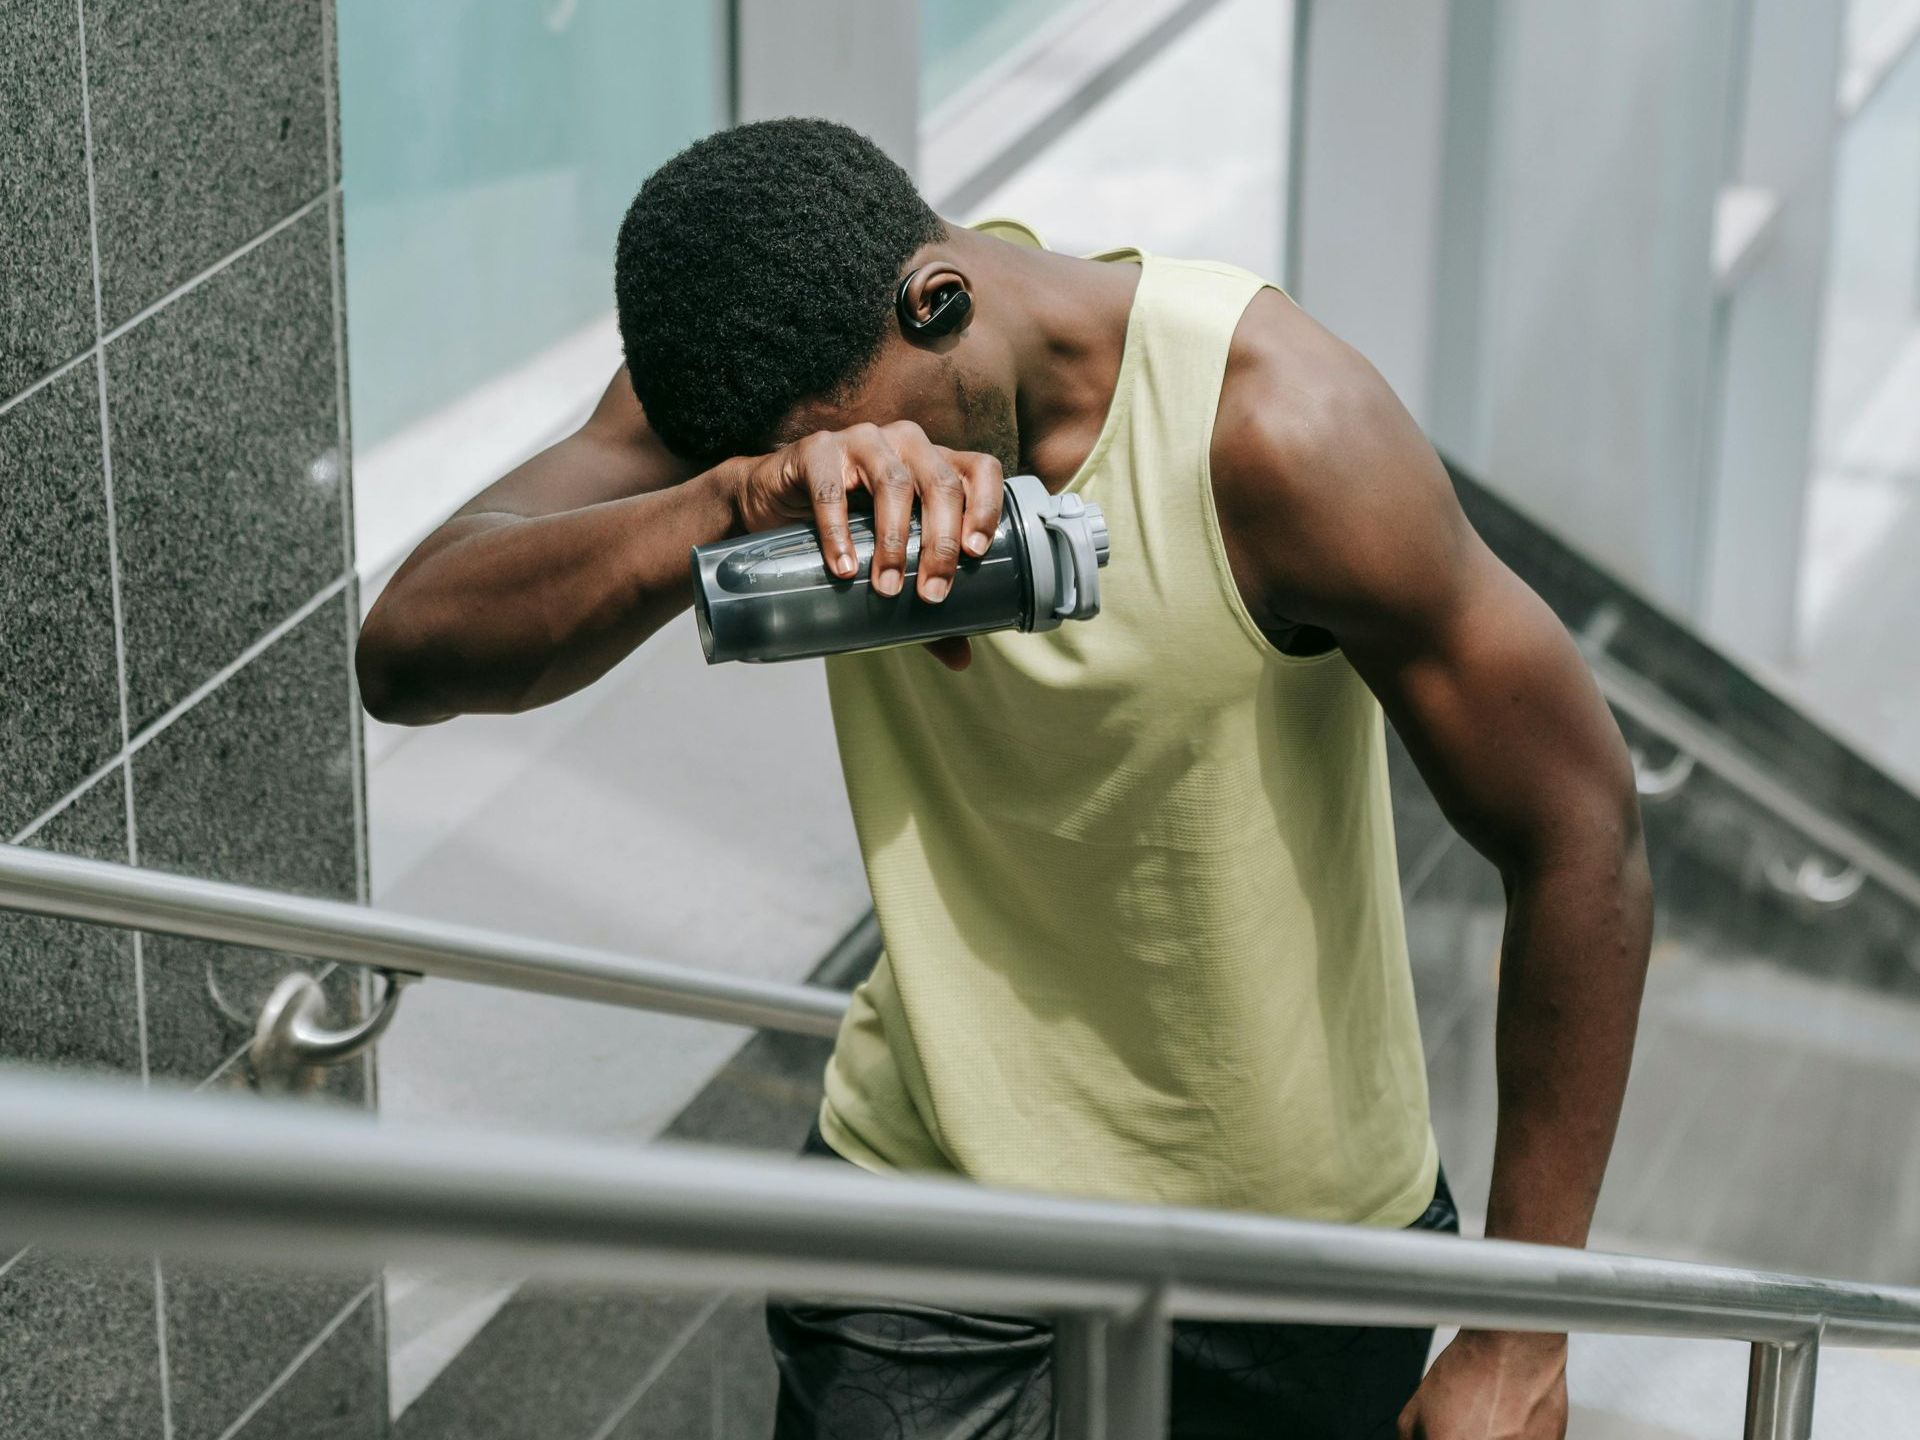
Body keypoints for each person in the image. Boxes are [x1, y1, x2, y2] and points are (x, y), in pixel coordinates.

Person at [356, 118, 1652, 1439]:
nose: (868, 501)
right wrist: (734, 503)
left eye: (865, 454)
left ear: (942, 302)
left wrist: (1517, 1333)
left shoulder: (1276, 432)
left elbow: (1578, 834)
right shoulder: (763, 381)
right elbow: (408, 651)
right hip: (922, 1213)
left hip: (1288, 1251)